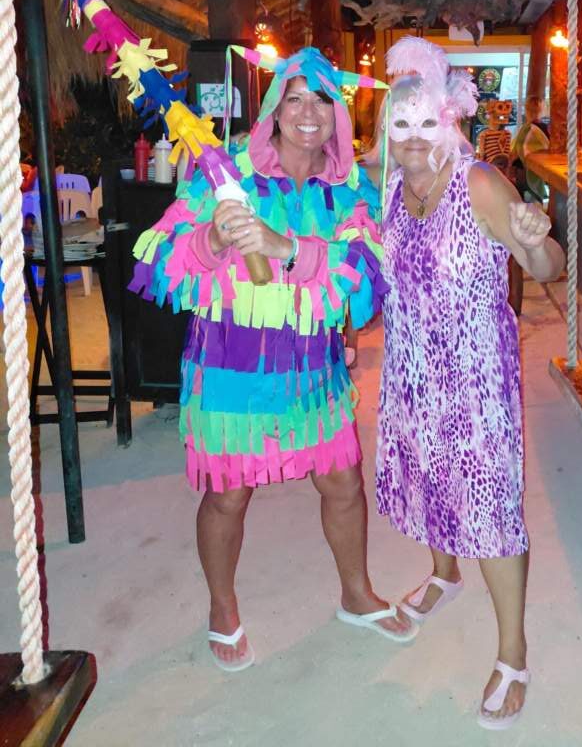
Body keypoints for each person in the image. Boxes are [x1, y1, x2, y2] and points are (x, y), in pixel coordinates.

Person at [130, 47, 415, 674]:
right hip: (230, 368)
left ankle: (356, 593)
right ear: (273, 109)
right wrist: (211, 238)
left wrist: (288, 248)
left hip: (314, 369)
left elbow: (366, 282)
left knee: (343, 483)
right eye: (294, 98)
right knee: (228, 496)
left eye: (322, 100)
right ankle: (222, 606)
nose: (308, 112)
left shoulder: (350, 189)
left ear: (340, 113)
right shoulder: (223, 173)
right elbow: (159, 260)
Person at [374, 37, 565, 730]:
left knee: (490, 507)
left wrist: (536, 237)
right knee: (428, 477)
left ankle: (513, 654)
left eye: (427, 121)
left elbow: (548, 268)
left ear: (449, 119)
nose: (414, 136)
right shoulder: (387, 189)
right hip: (411, 371)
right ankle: (443, 573)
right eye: (401, 124)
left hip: (476, 377)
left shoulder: (477, 182)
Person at [508, 95, 550, 203]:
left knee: (523, 200)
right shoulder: (545, 128)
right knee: (535, 201)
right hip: (540, 169)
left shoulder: (526, 128)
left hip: (522, 170)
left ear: (526, 111)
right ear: (542, 110)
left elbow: (516, 149)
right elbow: (548, 146)